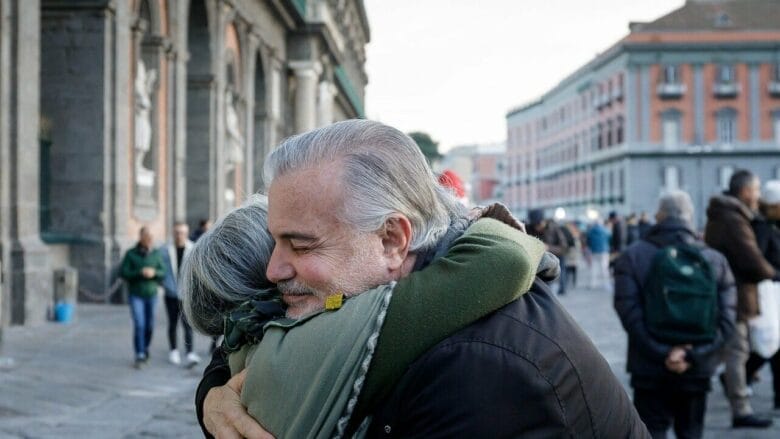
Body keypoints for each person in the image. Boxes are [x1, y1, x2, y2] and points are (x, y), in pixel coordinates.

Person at [196, 120, 649, 438]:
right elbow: (252, 337)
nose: (273, 270)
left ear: (393, 240)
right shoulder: (361, 300)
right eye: (276, 241)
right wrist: (215, 399)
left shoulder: (480, 370)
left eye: (302, 244)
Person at [182, 195, 547, 438]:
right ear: (277, 285)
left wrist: (211, 395)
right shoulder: (345, 328)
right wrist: (475, 218)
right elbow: (505, 259)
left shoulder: (251, 347)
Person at [614, 190, 736, 438]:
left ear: (659, 215)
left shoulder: (633, 256)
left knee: (651, 430)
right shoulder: (714, 259)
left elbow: (628, 312)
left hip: (648, 367)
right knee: (691, 432)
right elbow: (727, 318)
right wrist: (690, 354)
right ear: (690, 217)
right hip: (696, 368)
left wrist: (663, 352)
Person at [705, 169, 778, 428]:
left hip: (732, 293)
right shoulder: (733, 220)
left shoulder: (728, 216)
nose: (758, 196)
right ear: (746, 191)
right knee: (737, 351)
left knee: (730, 350)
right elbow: (752, 259)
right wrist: (773, 273)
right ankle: (741, 409)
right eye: (756, 190)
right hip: (734, 295)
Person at [745, 180, 780, 411]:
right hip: (770, 292)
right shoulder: (761, 227)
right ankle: (741, 374)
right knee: (770, 343)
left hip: (775, 290)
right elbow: (759, 261)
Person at [120, 226, 166, 368]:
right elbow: (124, 273)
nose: (150, 240)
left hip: (151, 294)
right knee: (139, 324)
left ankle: (145, 347)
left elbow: (163, 271)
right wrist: (140, 272)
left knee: (150, 325)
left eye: (151, 237)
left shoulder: (156, 254)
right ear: (141, 237)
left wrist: (154, 273)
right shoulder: (131, 253)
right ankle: (139, 353)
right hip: (136, 294)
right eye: (147, 237)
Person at [160, 222, 200, 366]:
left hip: (186, 294)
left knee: (188, 324)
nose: (179, 235)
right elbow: (160, 269)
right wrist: (164, 284)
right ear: (173, 233)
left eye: (182, 232)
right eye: (177, 232)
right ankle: (173, 350)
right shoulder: (164, 250)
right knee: (172, 323)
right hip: (170, 293)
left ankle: (190, 352)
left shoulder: (193, 248)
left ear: (186, 233)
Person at [528, 208, 570, 295]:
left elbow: (564, 248)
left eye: (539, 224)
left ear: (544, 221)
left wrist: (549, 248)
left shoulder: (554, 229)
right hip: (541, 262)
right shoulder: (530, 229)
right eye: (535, 225)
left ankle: (562, 289)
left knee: (558, 278)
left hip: (557, 258)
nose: (537, 227)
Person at [586, 218, 612, 290]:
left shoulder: (591, 231)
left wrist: (591, 247)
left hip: (594, 251)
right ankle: (606, 284)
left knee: (594, 268)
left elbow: (588, 241)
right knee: (604, 268)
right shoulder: (606, 230)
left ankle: (593, 284)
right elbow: (610, 239)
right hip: (604, 251)